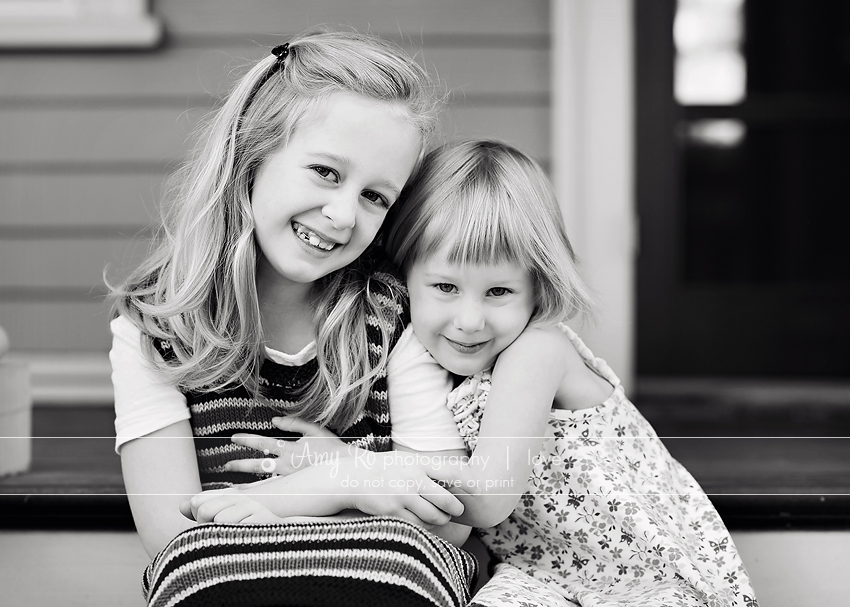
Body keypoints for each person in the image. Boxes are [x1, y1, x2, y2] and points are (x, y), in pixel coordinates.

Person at [108, 31, 477, 607]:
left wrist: (326, 481)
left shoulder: (396, 315)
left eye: (376, 197)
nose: (342, 214)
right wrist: (353, 484)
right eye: (326, 172)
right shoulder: (157, 326)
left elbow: (449, 515)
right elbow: (172, 541)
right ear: (250, 152)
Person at [380, 139, 759, 606]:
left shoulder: (537, 351)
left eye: (498, 291)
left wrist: (353, 466)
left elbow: (489, 496)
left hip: (643, 575)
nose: (470, 319)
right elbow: (451, 524)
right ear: (403, 275)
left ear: (538, 286)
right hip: (542, 574)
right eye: (445, 287)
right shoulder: (432, 363)